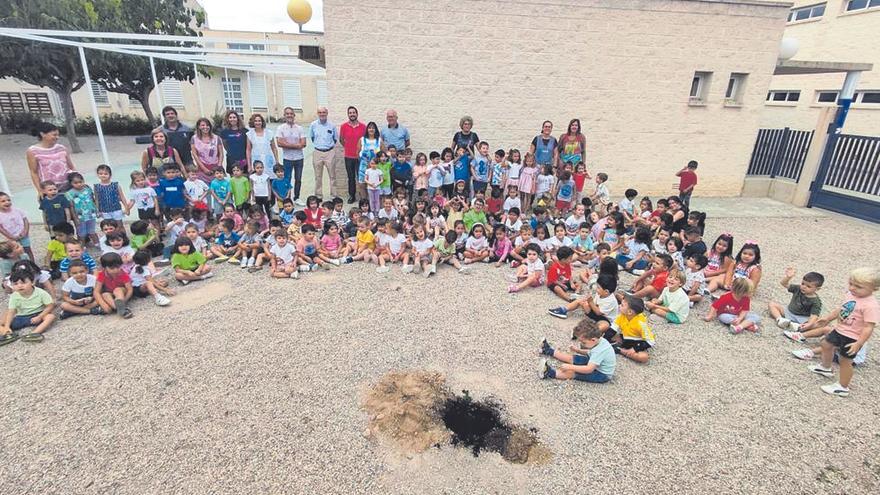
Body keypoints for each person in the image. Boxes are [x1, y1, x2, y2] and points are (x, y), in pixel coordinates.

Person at [800, 268, 879, 397]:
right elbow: (842, 309)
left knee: (845, 361)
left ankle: (843, 386)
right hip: (840, 329)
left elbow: (868, 327)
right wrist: (828, 318)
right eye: (851, 283)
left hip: (852, 337)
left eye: (858, 287)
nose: (853, 288)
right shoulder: (850, 294)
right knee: (826, 344)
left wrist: (859, 344)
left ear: (873, 289)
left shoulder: (871, 305)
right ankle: (825, 367)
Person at [538, 319, 615, 383]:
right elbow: (590, 353)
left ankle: (549, 373)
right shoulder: (599, 341)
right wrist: (578, 350)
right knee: (572, 358)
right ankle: (548, 350)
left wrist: (570, 367)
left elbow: (589, 369)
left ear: (593, 339)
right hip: (595, 363)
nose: (582, 344)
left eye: (583, 342)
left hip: (602, 374)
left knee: (573, 372)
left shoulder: (600, 351)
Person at [0, 266, 56, 344]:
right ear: (12, 285)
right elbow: (12, 311)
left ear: (32, 282)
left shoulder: (40, 292)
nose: (20, 285)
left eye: (23, 283)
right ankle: (8, 334)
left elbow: (50, 305)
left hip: (38, 315)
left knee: (51, 316)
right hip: (21, 317)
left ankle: (33, 334)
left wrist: (40, 316)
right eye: (15, 284)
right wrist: (7, 325)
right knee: (4, 318)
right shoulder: (14, 295)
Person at [26, 122, 77, 195]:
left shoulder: (62, 148)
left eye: (58, 135)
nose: (57, 137)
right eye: (54, 135)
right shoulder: (33, 151)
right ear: (43, 134)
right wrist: (39, 190)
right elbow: (34, 172)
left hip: (68, 186)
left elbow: (71, 167)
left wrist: (77, 181)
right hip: (49, 189)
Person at [771, 268, 824, 333]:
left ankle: (797, 327)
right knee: (772, 304)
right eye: (803, 283)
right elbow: (784, 284)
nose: (804, 287)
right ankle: (780, 320)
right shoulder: (798, 288)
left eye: (808, 286)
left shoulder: (816, 301)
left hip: (802, 318)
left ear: (817, 289)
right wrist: (788, 277)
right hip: (789, 312)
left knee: (816, 323)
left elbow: (814, 315)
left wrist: (809, 324)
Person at [275, 107, 308, 206]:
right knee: (286, 179)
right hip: (287, 159)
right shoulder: (280, 128)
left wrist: (288, 144)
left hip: (299, 158)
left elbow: (303, 144)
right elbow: (279, 143)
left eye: (291, 114)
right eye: (287, 114)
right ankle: (287, 198)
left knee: (298, 179)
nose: (289, 115)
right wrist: (296, 145)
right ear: (284, 115)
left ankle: (297, 197)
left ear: (294, 115)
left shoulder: (299, 128)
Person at [612, 295, 655, 362]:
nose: (619, 305)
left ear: (630, 312)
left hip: (637, 342)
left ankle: (621, 350)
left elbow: (651, 341)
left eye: (622, 305)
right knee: (607, 334)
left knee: (644, 357)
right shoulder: (622, 315)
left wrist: (634, 349)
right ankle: (619, 348)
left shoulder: (641, 324)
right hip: (625, 338)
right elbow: (612, 328)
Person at [309, 107, 339, 199]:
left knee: (332, 176)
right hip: (318, 152)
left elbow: (335, 138)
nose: (322, 114)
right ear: (317, 113)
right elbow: (312, 137)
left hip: (329, 152)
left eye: (324, 112)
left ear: (327, 113)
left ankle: (333, 196)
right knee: (318, 176)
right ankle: (318, 196)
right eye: (320, 112)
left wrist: (329, 147)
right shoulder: (313, 125)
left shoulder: (332, 125)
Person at [339, 106, 366, 203]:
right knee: (351, 177)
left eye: (354, 112)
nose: (352, 114)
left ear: (357, 114)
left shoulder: (363, 126)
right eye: (350, 113)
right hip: (348, 156)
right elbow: (341, 140)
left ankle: (363, 196)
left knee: (361, 177)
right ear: (348, 115)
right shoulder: (343, 126)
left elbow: (365, 140)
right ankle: (352, 195)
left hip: (360, 157)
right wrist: (348, 148)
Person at [94, 252, 134, 319]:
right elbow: (96, 291)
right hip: (110, 293)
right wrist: (103, 304)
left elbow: (130, 289)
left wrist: (125, 300)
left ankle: (121, 305)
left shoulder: (122, 274)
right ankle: (120, 308)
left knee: (117, 290)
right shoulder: (102, 275)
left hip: (121, 292)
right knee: (105, 294)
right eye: (112, 268)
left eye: (118, 267)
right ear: (104, 267)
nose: (116, 270)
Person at [65, 172, 99, 246]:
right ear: (71, 183)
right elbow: (72, 207)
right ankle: (81, 247)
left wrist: (97, 210)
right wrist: (75, 218)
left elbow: (93, 200)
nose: (79, 184)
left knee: (92, 231)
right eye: (75, 183)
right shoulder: (69, 193)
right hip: (80, 217)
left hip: (91, 215)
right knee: (81, 233)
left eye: (80, 182)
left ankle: (98, 244)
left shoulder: (87, 189)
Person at [0, 192, 34, 262]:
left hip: (23, 235)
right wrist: (10, 236)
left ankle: (32, 264)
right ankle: (19, 265)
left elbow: (25, 220)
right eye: (3, 201)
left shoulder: (17, 210)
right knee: (15, 251)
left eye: (8, 200)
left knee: (27, 249)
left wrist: (25, 232)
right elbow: (1, 228)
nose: (7, 202)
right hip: (11, 237)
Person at [190, 118, 224, 183]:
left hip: (215, 167)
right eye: (203, 125)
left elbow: (221, 154)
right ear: (199, 127)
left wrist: (218, 167)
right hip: (202, 167)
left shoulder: (217, 138)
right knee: (205, 189)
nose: (205, 127)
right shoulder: (194, 138)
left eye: (207, 125)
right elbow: (195, 154)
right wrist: (204, 168)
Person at [356, 122, 383, 203]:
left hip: (375, 167)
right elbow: (357, 152)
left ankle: (374, 204)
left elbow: (383, 153)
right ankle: (364, 203)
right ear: (367, 129)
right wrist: (363, 162)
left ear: (376, 130)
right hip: (363, 166)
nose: (371, 129)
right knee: (362, 184)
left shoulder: (379, 140)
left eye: (373, 128)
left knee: (374, 184)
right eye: (370, 128)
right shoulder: (362, 140)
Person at [219, 110, 250, 174]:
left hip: (243, 159)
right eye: (230, 117)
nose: (232, 119)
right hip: (231, 160)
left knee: (244, 179)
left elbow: (248, 146)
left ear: (237, 119)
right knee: (234, 180)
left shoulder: (245, 131)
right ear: (227, 119)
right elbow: (225, 146)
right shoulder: (224, 132)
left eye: (234, 117)